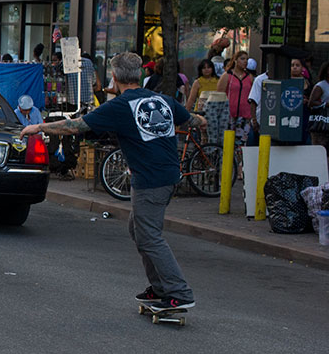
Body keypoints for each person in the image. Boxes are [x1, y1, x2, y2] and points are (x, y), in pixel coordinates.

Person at [22, 52, 205, 313]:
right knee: (138, 229)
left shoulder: (121, 106)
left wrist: (39, 128)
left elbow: (77, 126)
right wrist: (202, 119)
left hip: (151, 179)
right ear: (140, 74)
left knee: (150, 236)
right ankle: (160, 287)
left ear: (115, 77)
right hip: (166, 175)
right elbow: (192, 120)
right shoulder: (162, 100)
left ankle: (178, 292)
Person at [216, 50, 254, 144]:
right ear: (235, 60)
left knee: (241, 142)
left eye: (246, 59)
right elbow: (220, 94)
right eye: (242, 59)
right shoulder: (227, 75)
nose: (245, 61)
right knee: (227, 141)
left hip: (245, 114)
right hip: (229, 114)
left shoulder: (249, 77)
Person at [309, 61, 329, 158]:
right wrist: (325, 104)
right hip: (322, 124)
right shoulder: (321, 85)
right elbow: (311, 102)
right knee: (321, 150)